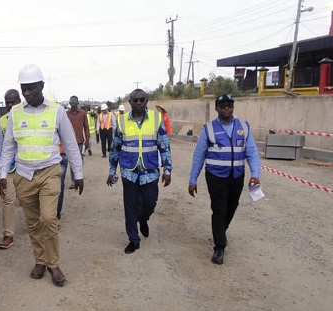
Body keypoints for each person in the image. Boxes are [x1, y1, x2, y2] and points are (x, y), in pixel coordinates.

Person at [0, 64, 84, 287]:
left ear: (41, 86)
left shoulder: (56, 111)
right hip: (23, 175)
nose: (27, 93)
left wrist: (78, 173)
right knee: (33, 223)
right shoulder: (15, 113)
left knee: (48, 218)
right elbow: (8, 147)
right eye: (23, 88)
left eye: (31, 88)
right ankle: (40, 260)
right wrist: (3, 175)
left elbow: (71, 144)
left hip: (49, 172)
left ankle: (53, 264)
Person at [188, 94, 261, 265]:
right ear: (217, 109)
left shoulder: (244, 127)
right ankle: (219, 247)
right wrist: (193, 180)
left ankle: (220, 231)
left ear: (233, 107)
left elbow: (251, 152)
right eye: (223, 106)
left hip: (237, 175)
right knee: (219, 210)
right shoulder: (209, 129)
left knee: (232, 207)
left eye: (229, 106)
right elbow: (199, 156)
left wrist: (255, 174)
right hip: (215, 176)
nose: (226, 109)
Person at [107, 89, 172, 254]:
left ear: (146, 101)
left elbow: (164, 146)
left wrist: (167, 169)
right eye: (135, 100)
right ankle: (133, 240)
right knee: (129, 206)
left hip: (150, 170)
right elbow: (115, 148)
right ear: (130, 103)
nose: (138, 103)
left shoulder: (157, 119)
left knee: (150, 202)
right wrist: (112, 170)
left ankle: (143, 219)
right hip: (129, 171)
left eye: (141, 100)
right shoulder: (122, 122)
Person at [0, 89, 21, 249]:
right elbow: (1, 146)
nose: (10, 105)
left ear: (20, 101)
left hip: (27, 167)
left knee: (30, 200)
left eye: (13, 102)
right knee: (8, 200)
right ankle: (8, 234)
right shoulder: (3, 120)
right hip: (10, 168)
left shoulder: (28, 117)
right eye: (7, 102)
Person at [66, 96, 90, 190]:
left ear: (77, 103)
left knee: (79, 161)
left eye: (74, 102)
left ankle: (78, 177)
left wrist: (87, 140)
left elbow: (86, 127)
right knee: (72, 161)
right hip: (70, 143)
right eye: (71, 102)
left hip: (80, 142)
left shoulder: (83, 114)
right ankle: (74, 181)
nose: (72, 104)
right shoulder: (66, 114)